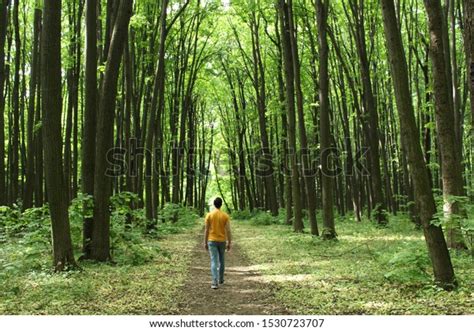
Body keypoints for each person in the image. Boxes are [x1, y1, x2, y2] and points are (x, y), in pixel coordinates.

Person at [203, 197, 232, 289]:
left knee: (214, 261)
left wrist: (205, 242)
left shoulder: (209, 215)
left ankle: (214, 282)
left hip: (212, 240)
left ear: (214, 205)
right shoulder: (225, 216)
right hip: (222, 241)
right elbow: (228, 230)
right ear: (221, 204)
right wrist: (229, 242)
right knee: (222, 260)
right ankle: (221, 279)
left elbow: (206, 230)